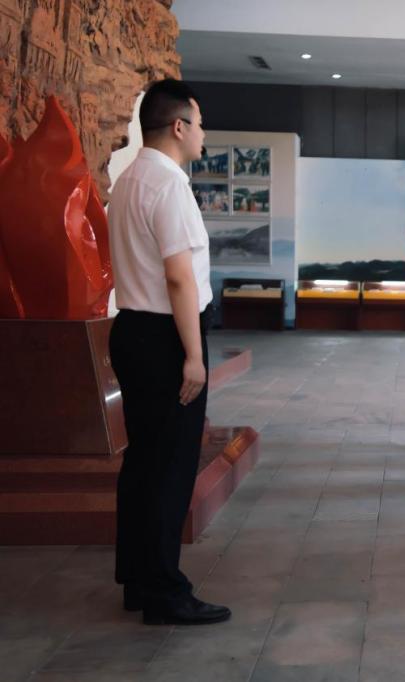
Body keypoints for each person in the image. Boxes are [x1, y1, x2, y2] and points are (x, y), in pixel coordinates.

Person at [106, 78, 230, 625]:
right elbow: (179, 278)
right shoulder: (169, 185)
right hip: (165, 337)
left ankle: (138, 579)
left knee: (143, 462)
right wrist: (193, 356)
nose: (203, 134)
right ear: (179, 126)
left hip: (133, 328)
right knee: (170, 466)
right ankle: (164, 591)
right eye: (199, 124)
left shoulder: (130, 179)